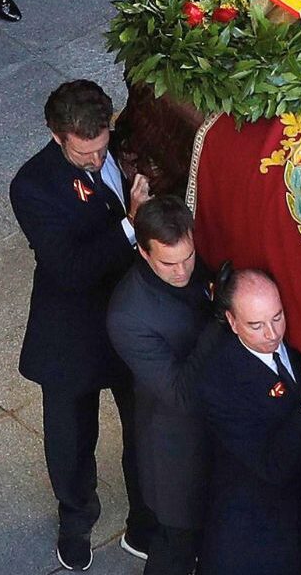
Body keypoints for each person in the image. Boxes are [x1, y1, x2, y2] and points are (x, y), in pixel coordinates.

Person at [10, 79, 155, 570]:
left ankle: (144, 522)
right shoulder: (32, 186)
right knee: (71, 441)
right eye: (83, 154)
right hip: (72, 329)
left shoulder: (122, 146)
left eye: (100, 149)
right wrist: (130, 224)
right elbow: (67, 269)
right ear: (56, 136)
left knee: (145, 432)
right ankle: (75, 522)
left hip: (133, 322)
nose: (95, 160)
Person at [197, 266, 301, 575]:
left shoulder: (298, 340)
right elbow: (273, 464)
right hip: (261, 519)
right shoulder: (219, 382)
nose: (272, 334)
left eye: (277, 317)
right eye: (256, 325)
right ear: (232, 322)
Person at [105, 195, 215, 574]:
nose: (182, 270)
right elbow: (179, 395)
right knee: (175, 549)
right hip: (176, 454)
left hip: (213, 434)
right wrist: (222, 322)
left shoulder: (192, 269)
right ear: (143, 252)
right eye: (169, 263)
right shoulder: (129, 316)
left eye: (188, 257)